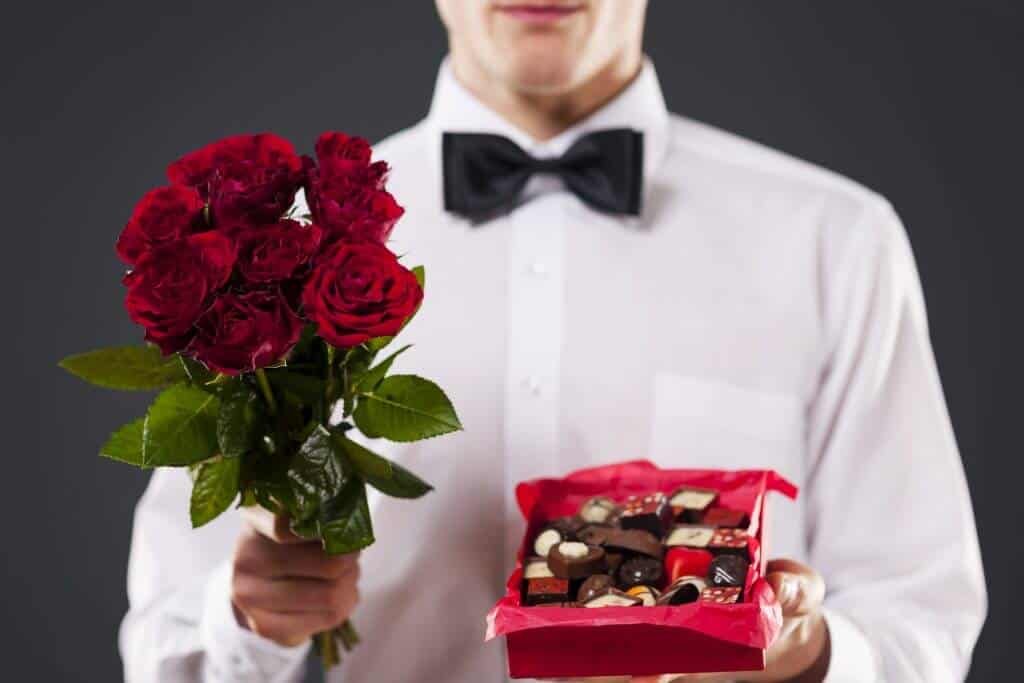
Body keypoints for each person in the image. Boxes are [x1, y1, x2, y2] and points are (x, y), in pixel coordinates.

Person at [119, 1, 987, 681]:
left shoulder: (836, 238)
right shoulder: (278, 258)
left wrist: (809, 653)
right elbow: (163, 646)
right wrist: (248, 621)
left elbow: (923, 619)